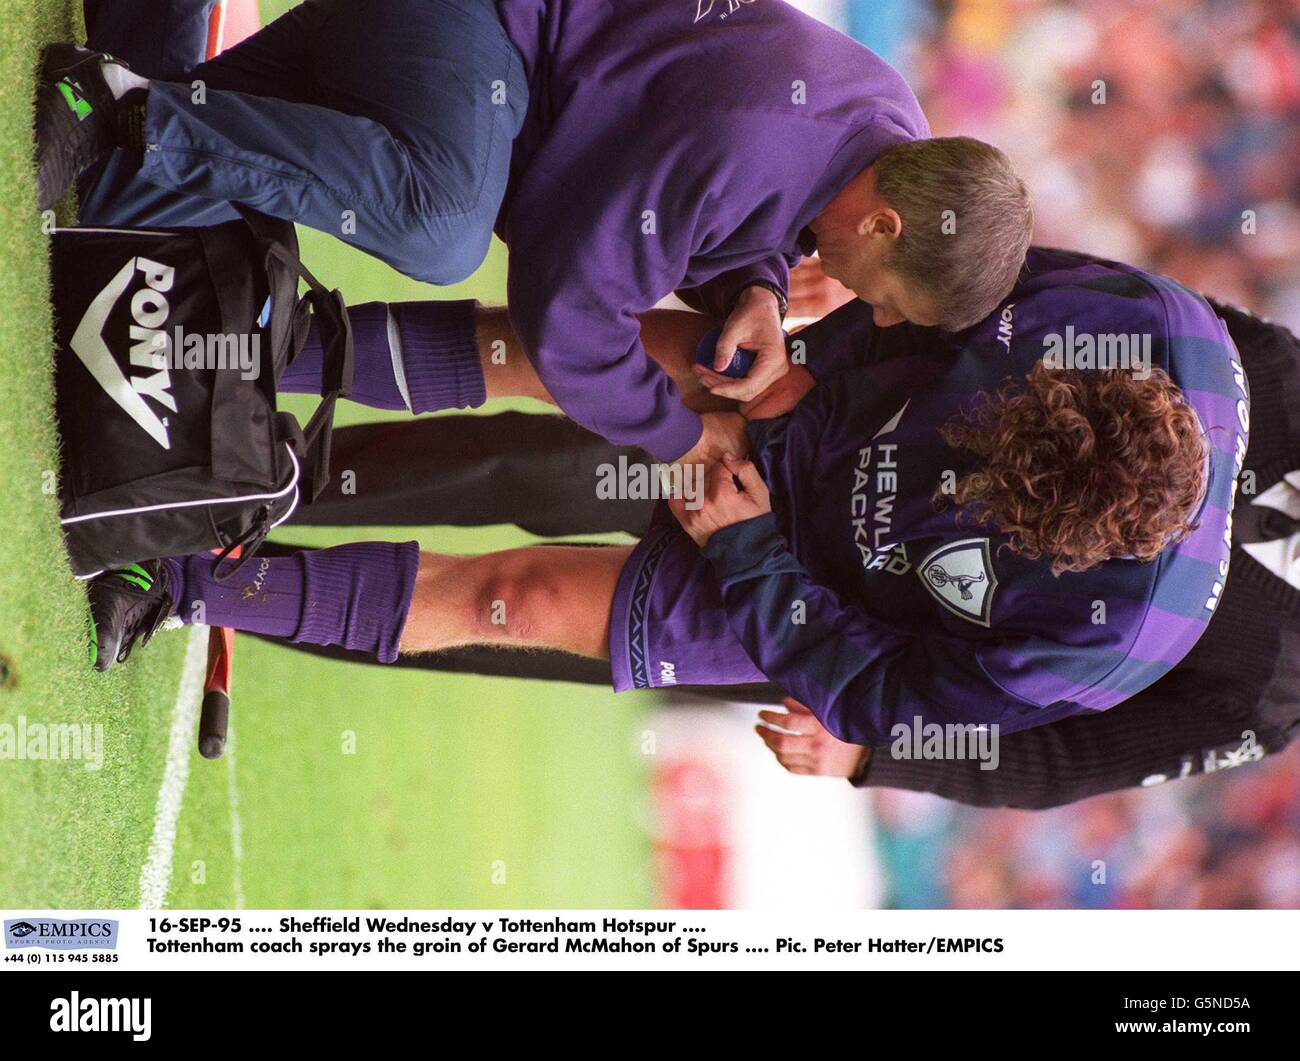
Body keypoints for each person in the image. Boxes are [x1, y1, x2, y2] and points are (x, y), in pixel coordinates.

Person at [86, 248, 1243, 749]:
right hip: (824, 399)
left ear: (1054, 550)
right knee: (545, 350)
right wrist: (790, 377)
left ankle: (175, 580)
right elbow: (935, 283)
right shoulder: (1140, 324)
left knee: (516, 599)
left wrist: (751, 553)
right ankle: (211, 348)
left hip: (815, 591)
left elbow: (886, 693)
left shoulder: (1106, 643)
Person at [36, 0, 1032, 471]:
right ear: (885, 221)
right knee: (440, 230)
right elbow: (565, 314)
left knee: (132, 229)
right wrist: (682, 435)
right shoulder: (756, 145)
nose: (860, 303)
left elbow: (744, 209)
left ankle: (144, 98)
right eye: (885, 292)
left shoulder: (884, 126)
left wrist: (759, 289)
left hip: (461, 71)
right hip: (475, 37)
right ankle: (120, 109)